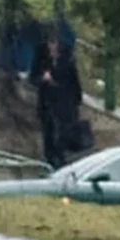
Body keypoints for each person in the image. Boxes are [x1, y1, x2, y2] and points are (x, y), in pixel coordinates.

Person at [30, 30, 83, 170]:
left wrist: (77, 102)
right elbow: (32, 78)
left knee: (62, 132)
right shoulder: (42, 60)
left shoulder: (67, 61)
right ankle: (50, 160)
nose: (52, 47)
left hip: (64, 103)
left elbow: (74, 82)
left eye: (54, 43)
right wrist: (42, 78)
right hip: (47, 102)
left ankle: (61, 159)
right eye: (50, 43)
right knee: (48, 132)